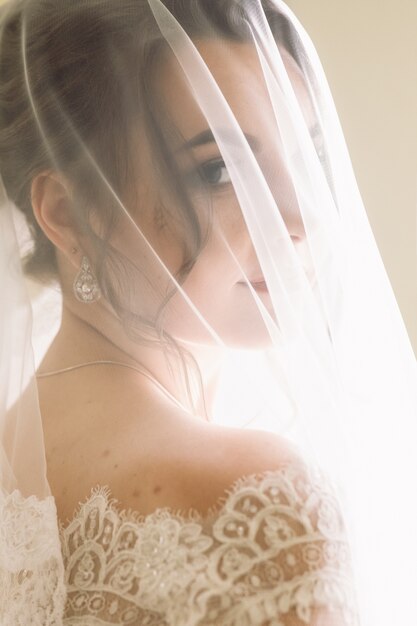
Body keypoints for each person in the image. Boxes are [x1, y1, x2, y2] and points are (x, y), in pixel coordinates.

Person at [0, 0, 416, 624]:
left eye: (304, 158)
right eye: (222, 170)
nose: (296, 220)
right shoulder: (256, 502)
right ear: (68, 212)